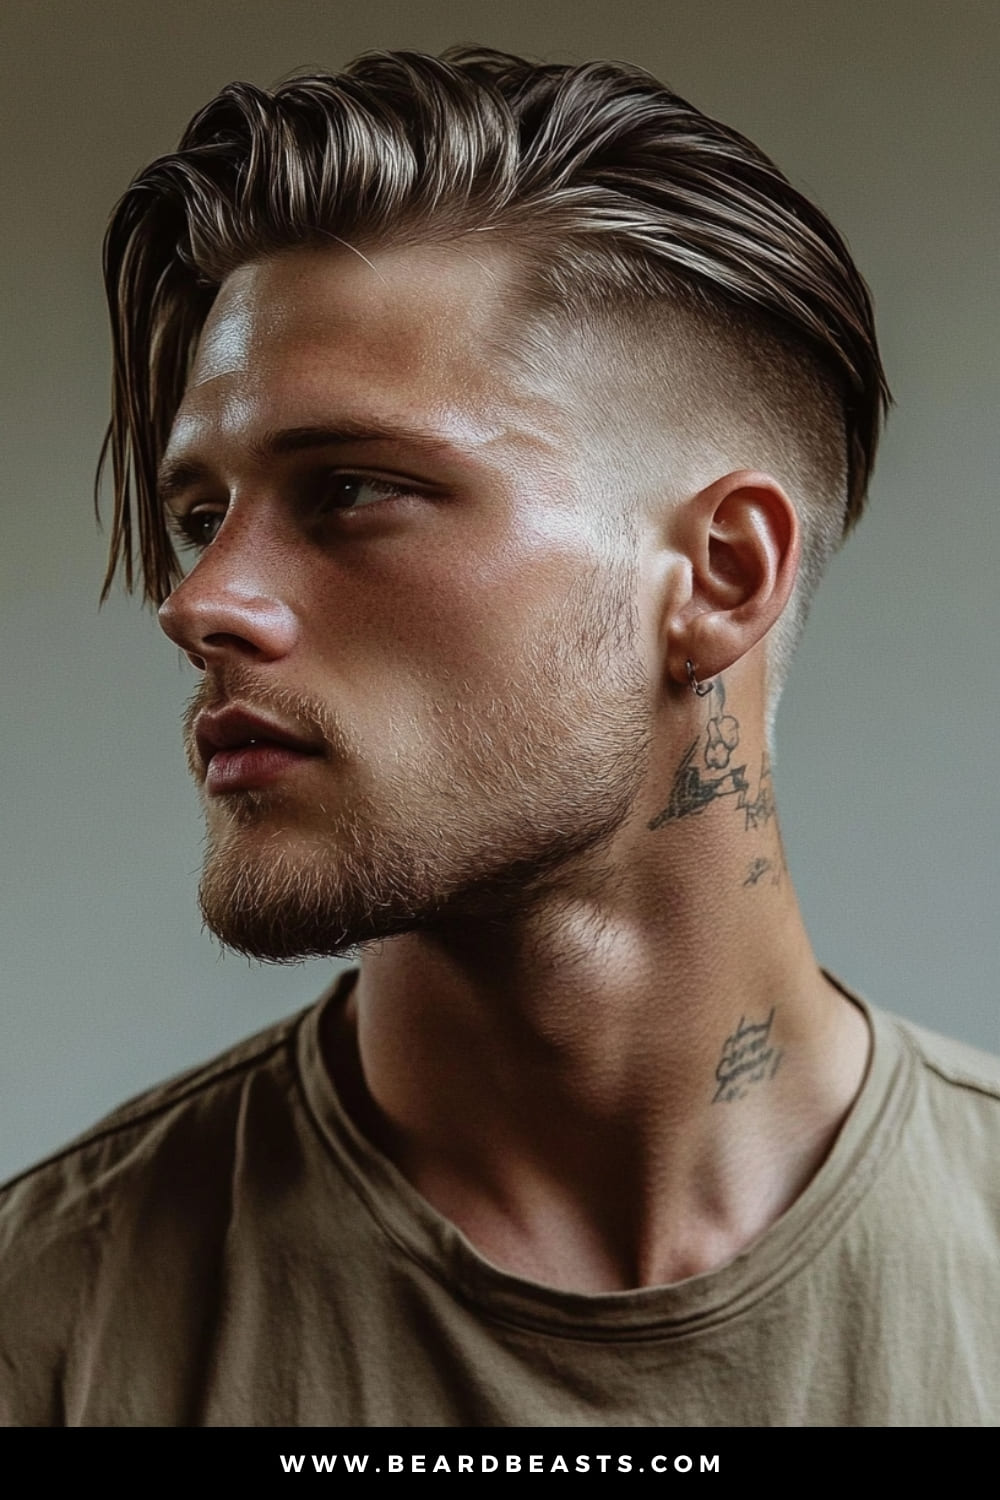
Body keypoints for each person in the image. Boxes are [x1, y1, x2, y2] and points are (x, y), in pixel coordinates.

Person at [1, 46, 996, 1429]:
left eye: (350, 488)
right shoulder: (44, 1324)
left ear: (717, 576)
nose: (199, 601)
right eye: (196, 514)